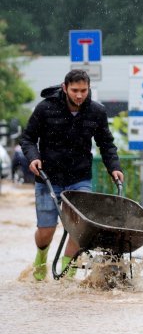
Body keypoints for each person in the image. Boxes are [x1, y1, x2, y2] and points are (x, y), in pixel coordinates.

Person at [19, 69, 125, 281]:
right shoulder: (45, 108)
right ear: (64, 87)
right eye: (75, 90)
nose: (79, 95)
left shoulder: (96, 111)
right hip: (48, 177)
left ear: (88, 89)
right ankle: (41, 257)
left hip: (79, 178)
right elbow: (28, 138)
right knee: (46, 231)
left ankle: (67, 277)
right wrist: (33, 158)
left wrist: (114, 166)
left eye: (83, 90)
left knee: (80, 228)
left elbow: (106, 144)